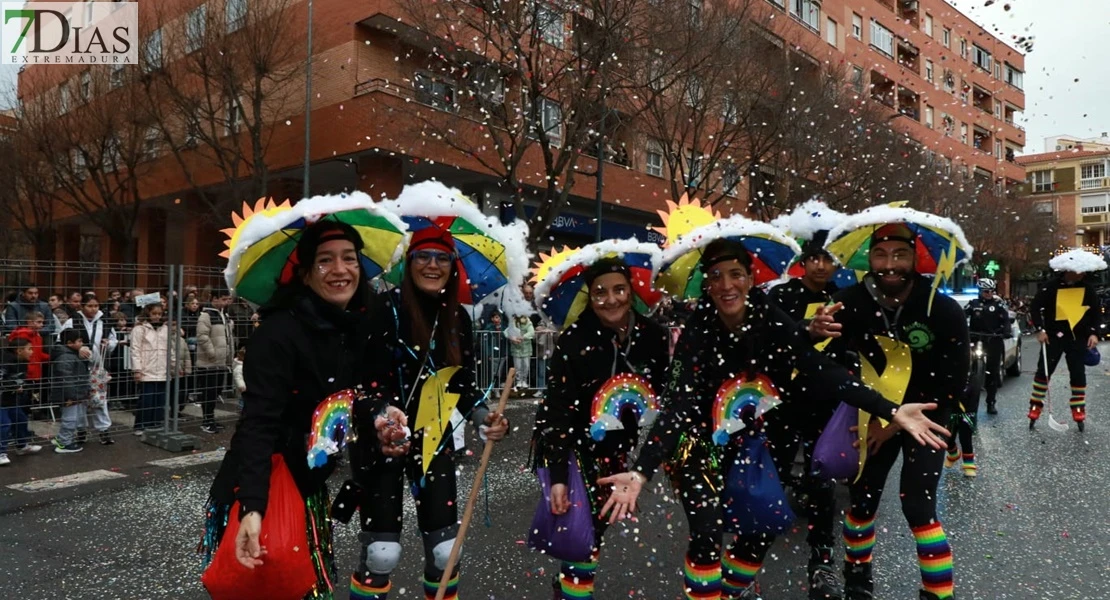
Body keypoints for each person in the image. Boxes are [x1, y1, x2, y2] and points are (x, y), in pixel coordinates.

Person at [599, 237, 950, 600]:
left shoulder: (768, 318)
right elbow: (681, 405)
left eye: (735, 274)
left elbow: (822, 369)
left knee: (760, 532)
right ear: (707, 283)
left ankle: (731, 591)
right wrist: (642, 470)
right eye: (715, 275)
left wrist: (890, 410)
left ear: (750, 279)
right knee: (706, 532)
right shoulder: (698, 330)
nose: (726, 285)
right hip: (698, 444)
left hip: (758, 441)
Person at [202, 220, 385, 599]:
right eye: (325, 260)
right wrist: (253, 508)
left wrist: (383, 418)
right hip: (263, 482)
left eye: (349, 258)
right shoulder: (278, 333)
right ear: (304, 273)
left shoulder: (352, 328)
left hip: (307, 482)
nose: (340, 269)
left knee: (302, 588)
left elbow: (352, 400)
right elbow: (257, 424)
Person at [807, 223, 970, 600]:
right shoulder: (848, 302)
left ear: (915, 258)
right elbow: (813, 355)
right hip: (869, 417)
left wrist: (895, 426)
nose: (889, 264)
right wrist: (812, 331)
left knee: (919, 507)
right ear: (869, 257)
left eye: (900, 254)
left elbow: (953, 385)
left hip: (928, 419)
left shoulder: (942, 310)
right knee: (862, 503)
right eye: (881, 255)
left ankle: (937, 592)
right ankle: (857, 578)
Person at [348, 226, 509, 600]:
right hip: (382, 441)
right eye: (423, 256)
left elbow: (461, 384)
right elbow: (362, 381)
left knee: (445, 550)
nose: (432, 265)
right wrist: (381, 412)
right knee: (381, 553)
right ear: (409, 262)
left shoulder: (458, 320)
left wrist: (482, 415)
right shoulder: (381, 310)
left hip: (433, 439)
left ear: (453, 267)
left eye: (442, 258)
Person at [531, 255, 671, 600]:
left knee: (595, 529)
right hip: (573, 445)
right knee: (583, 529)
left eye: (619, 289)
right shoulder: (574, 339)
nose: (611, 299)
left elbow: (662, 394)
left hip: (617, 451)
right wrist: (560, 476)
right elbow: (557, 410)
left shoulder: (653, 336)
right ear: (590, 297)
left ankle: (569, 582)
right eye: (600, 292)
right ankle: (572, 590)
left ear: (632, 290)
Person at [765, 230, 845, 599]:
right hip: (782, 403)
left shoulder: (844, 299)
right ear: (803, 261)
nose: (820, 265)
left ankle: (822, 561)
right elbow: (773, 341)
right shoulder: (782, 295)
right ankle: (747, 566)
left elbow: (852, 349)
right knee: (769, 480)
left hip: (825, 403)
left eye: (828, 259)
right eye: (814, 258)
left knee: (822, 484)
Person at [1028, 251, 1101, 431]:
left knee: (1078, 374)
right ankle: (1035, 406)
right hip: (1053, 337)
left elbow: (1096, 313)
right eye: (1079, 271)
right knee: (1043, 373)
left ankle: (1078, 409)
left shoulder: (1087, 289)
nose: (1082, 274)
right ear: (1070, 270)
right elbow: (1035, 307)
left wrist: (1094, 333)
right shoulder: (1050, 287)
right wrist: (1040, 329)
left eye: (1084, 272)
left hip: (1077, 338)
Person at [59, 293, 118, 445]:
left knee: (99, 400)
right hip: (79, 367)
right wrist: (77, 349)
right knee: (80, 399)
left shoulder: (105, 321)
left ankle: (104, 430)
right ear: (82, 306)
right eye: (89, 306)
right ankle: (81, 430)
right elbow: (63, 341)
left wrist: (109, 344)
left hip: (98, 366)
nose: (93, 309)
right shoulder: (72, 321)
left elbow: (113, 339)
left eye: (95, 306)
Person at [965, 278, 1011, 416]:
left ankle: (991, 402)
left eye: (991, 291)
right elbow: (961, 316)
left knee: (993, 371)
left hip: (993, 340)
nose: (989, 294)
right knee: (966, 366)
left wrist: (1006, 331)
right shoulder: (973, 304)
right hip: (975, 338)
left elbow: (1006, 319)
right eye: (986, 291)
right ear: (980, 291)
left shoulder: (999, 304)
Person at [130, 303, 175, 434]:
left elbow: (170, 349)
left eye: (159, 314)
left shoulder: (165, 329)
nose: (157, 317)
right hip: (146, 369)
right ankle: (140, 425)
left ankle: (155, 424)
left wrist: (173, 365)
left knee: (160, 399)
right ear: (148, 314)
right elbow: (135, 350)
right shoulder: (139, 329)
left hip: (162, 369)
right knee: (146, 400)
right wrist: (137, 369)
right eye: (154, 314)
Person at [196, 288, 235, 434]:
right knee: (208, 392)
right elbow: (202, 336)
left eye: (227, 299)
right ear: (215, 299)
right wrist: (212, 353)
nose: (226, 302)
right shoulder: (206, 315)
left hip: (221, 362)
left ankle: (211, 418)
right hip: (209, 362)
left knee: (216, 391)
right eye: (223, 299)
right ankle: (206, 420)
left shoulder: (224, 314)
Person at [0, 337, 44, 465]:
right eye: (29, 349)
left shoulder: (23, 362)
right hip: (2, 399)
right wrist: (13, 386)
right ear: (19, 351)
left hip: (11, 399)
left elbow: (21, 379)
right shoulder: (5, 362)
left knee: (21, 419)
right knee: (4, 424)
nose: (32, 352)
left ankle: (22, 445)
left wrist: (21, 387)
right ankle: (1, 452)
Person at [51, 329, 92, 454]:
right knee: (70, 419)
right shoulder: (66, 357)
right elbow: (66, 379)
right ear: (69, 343)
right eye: (79, 341)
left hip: (74, 394)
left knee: (73, 418)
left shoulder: (71, 355)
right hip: (69, 396)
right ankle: (64, 443)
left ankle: (62, 438)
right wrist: (71, 396)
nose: (82, 343)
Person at [507, 314, 535, 393]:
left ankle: (524, 380)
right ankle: (518, 381)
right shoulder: (513, 322)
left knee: (526, 365)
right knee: (517, 366)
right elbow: (506, 332)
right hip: (516, 348)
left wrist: (523, 337)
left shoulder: (529, 323)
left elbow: (531, 332)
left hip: (526, 348)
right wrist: (513, 338)